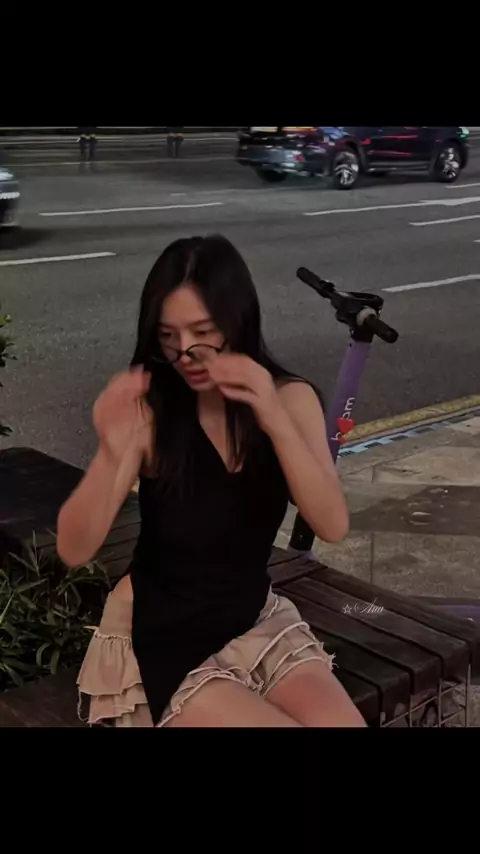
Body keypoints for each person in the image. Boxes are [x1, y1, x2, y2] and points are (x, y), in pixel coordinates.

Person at [57, 235, 366, 728]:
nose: (185, 352)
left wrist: (274, 419)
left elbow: (331, 524)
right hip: (161, 633)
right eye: (168, 336)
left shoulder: (288, 399)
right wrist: (111, 452)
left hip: (252, 619)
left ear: (238, 320)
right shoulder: (152, 411)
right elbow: (74, 548)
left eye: (202, 331)